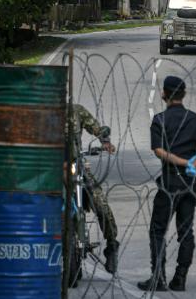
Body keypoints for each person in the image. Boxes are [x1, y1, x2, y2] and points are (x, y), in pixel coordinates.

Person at [138, 76, 196, 292]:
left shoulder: (160, 120)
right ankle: (180, 278)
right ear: (183, 94)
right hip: (191, 182)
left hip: (170, 180)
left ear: (164, 94)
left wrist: (182, 162)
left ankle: (158, 277)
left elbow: (159, 151)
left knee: (158, 230)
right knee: (185, 230)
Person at [69, 103, 120, 274]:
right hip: (50, 170)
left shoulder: (75, 111)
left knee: (100, 203)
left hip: (75, 166)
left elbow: (96, 128)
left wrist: (105, 141)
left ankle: (112, 245)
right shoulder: (43, 113)